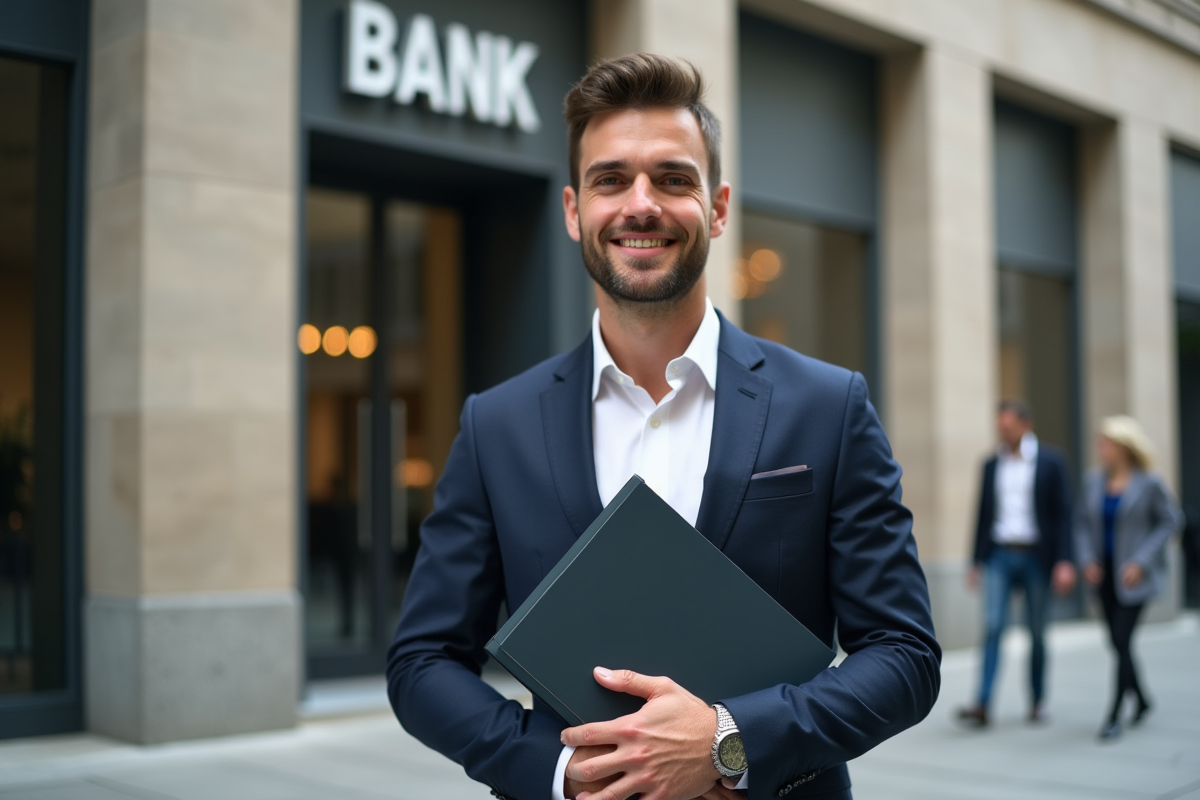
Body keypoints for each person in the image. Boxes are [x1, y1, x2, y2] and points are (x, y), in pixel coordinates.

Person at [386, 54, 940, 800]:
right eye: (611, 180)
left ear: (717, 207)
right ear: (573, 210)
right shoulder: (497, 425)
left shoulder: (828, 406)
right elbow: (421, 662)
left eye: (674, 179)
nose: (640, 205)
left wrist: (728, 741)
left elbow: (904, 654)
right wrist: (559, 769)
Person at [958, 400, 1076, 727]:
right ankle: (982, 703)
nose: (1004, 433)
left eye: (1009, 427)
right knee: (993, 626)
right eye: (1000, 428)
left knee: (1036, 632)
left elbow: (1064, 515)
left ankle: (1037, 700)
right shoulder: (990, 464)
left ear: (1026, 425)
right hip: (999, 555)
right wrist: (975, 561)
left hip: (1037, 556)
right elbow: (982, 515)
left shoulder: (1051, 462)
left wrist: (1065, 560)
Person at [1075, 415, 1183, 741]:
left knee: (1121, 640)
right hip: (1103, 575)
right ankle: (1143, 699)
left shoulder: (1149, 482)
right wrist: (1086, 560)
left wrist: (1141, 561)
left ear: (1123, 447)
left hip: (1133, 577)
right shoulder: (1093, 481)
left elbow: (1171, 521)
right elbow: (1081, 523)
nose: (1101, 449)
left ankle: (1113, 715)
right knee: (1117, 643)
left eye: (1106, 444)